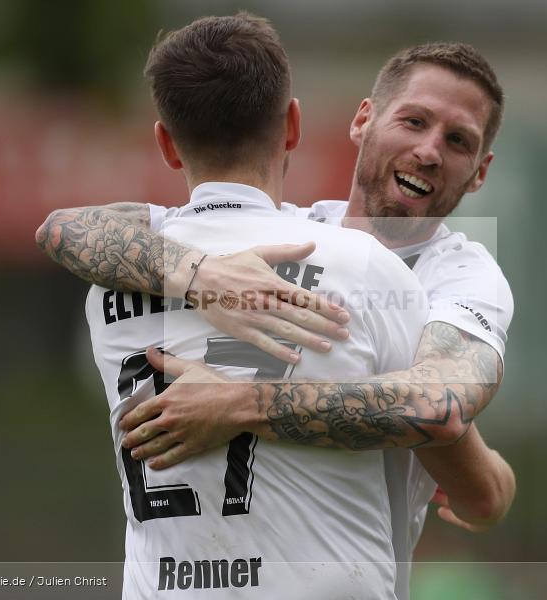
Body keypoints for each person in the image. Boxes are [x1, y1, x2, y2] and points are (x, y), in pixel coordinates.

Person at [38, 37, 516, 600]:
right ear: (362, 120)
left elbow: (439, 406)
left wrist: (239, 404)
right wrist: (202, 276)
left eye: (458, 141)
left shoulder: (459, 275)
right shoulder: (286, 233)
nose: (430, 151)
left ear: (479, 172)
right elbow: (62, 229)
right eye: (414, 121)